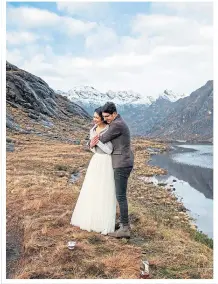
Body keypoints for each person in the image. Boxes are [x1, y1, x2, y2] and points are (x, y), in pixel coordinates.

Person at [90, 102, 134, 238]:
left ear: (114, 113)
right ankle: (122, 224)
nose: (106, 119)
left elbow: (103, 137)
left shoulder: (116, 125)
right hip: (123, 161)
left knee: (120, 196)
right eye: (104, 117)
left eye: (107, 116)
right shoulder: (117, 122)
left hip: (121, 163)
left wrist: (93, 140)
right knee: (119, 195)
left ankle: (125, 228)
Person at [70, 107, 116, 235]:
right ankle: (89, 219)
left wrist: (97, 141)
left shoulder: (109, 129)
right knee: (92, 188)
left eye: (96, 117)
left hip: (106, 162)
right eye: (94, 117)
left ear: (103, 118)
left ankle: (102, 222)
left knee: (104, 190)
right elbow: (93, 148)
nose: (94, 119)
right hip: (96, 160)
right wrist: (91, 145)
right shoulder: (92, 130)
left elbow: (109, 150)